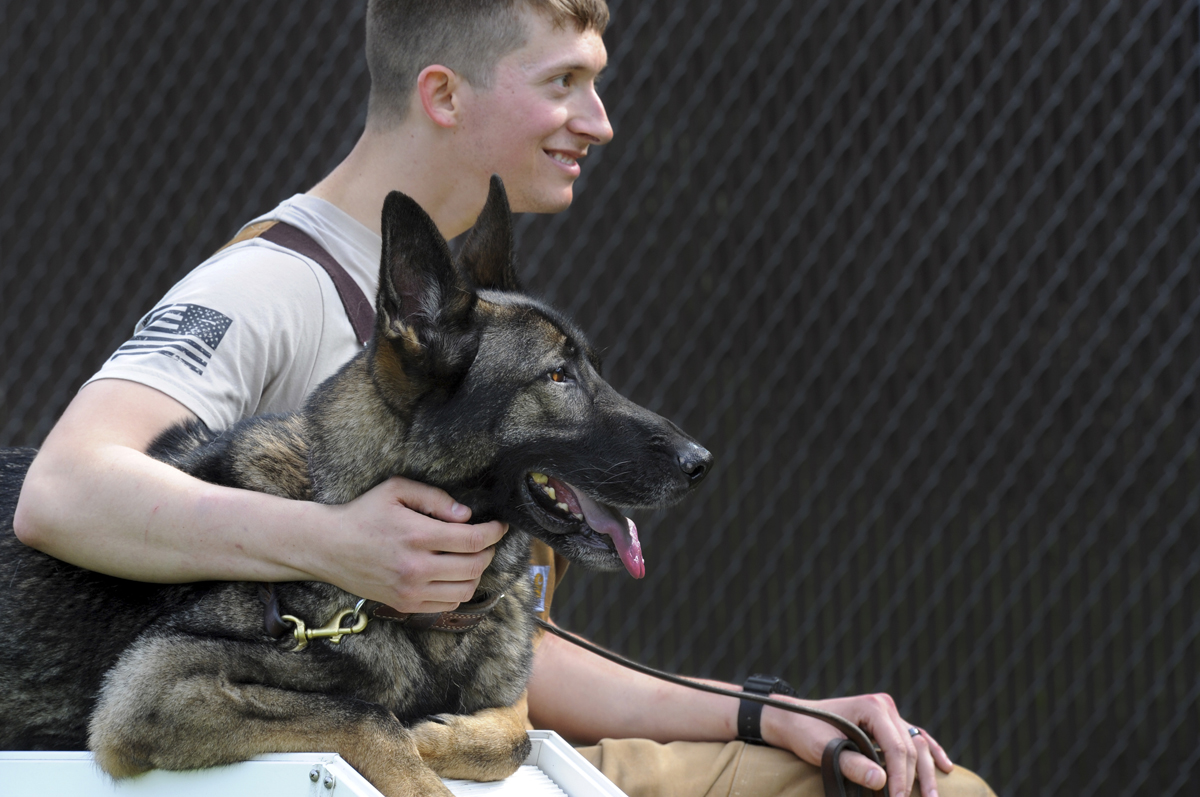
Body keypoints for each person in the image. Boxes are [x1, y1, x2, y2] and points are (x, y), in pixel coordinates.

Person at [13, 2, 993, 796]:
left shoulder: (477, 306)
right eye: (565, 82)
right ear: (442, 92)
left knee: (921, 785)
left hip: (487, 738)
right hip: (322, 753)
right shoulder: (271, 287)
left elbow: (489, 643)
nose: (601, 121)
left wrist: (767, 708)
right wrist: (338, 544)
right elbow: (62, 492)